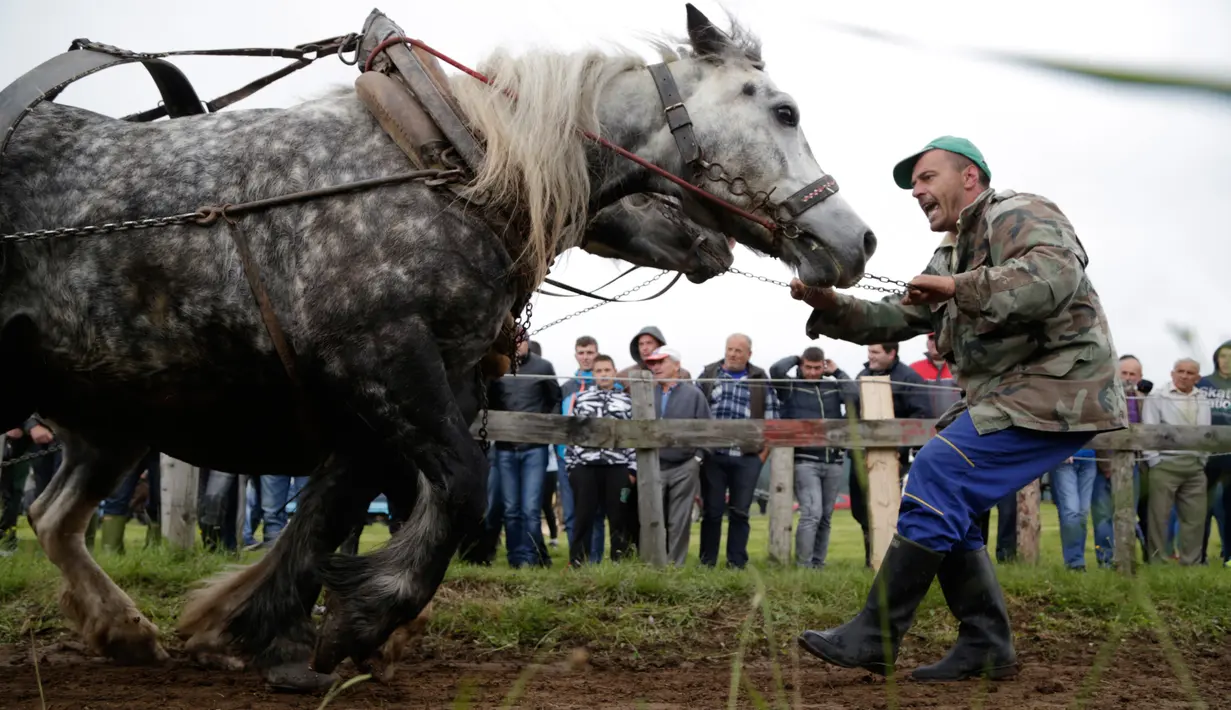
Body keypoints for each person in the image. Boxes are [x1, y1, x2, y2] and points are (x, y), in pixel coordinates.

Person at [789, 136, 1126, 682]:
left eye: (925, 178)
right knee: (954, 504)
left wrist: (955, 286)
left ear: (969, 177)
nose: (917, 191)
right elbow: (898, 319)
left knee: (939, 468)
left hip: (1061, 389)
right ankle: (987, 645)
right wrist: (834, 306)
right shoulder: (950, 252)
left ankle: (876, 635)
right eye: (913, 185)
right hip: (1012, 396)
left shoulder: (1017, 211)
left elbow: (1054, 275)